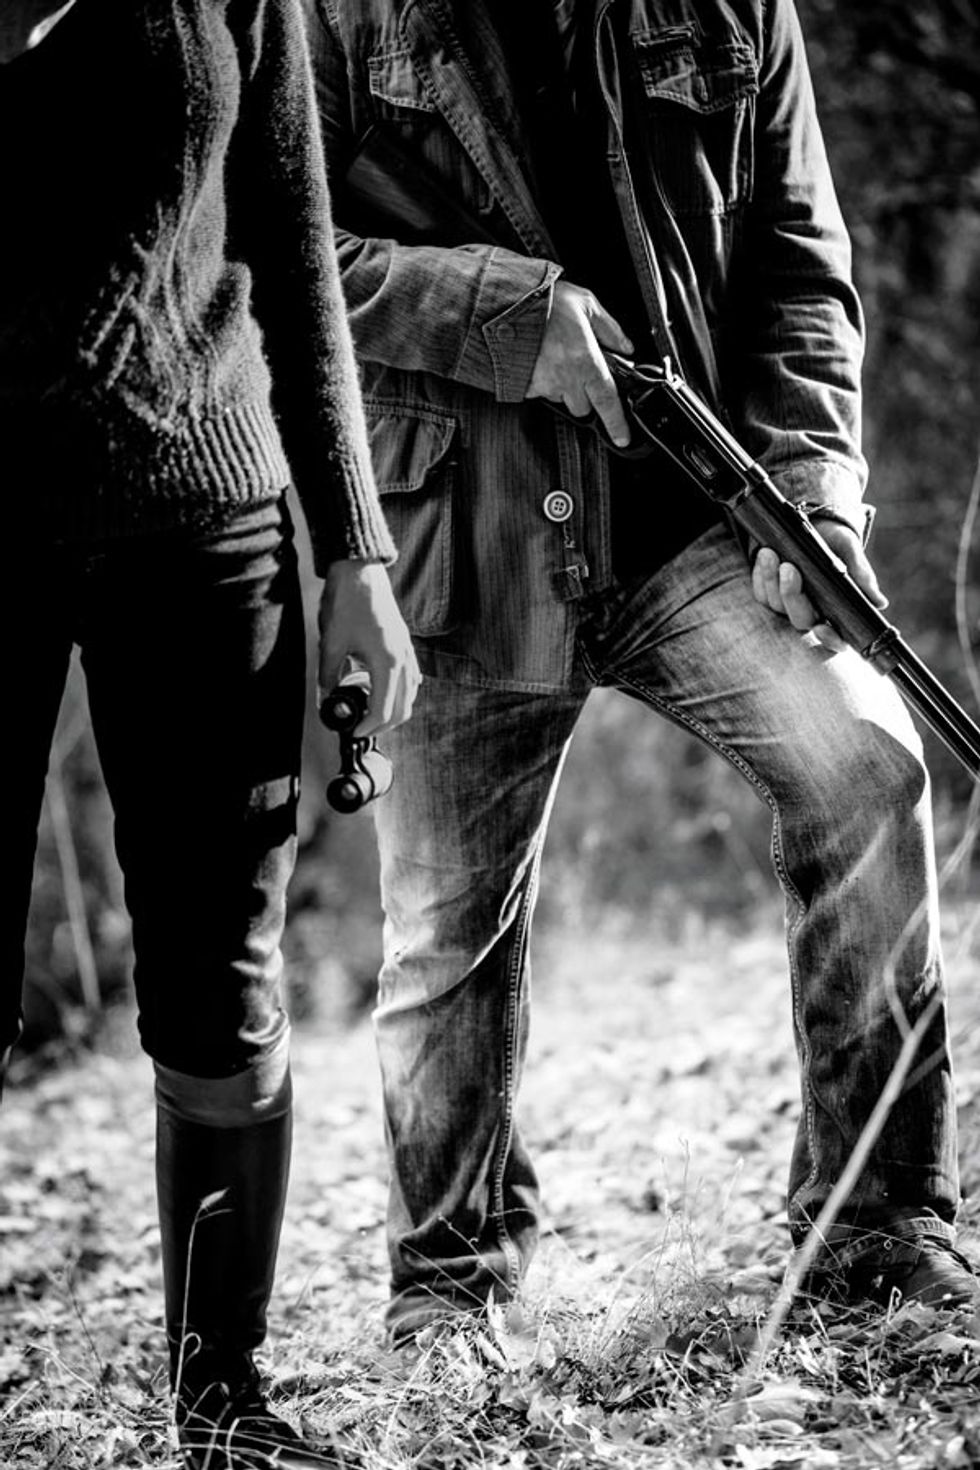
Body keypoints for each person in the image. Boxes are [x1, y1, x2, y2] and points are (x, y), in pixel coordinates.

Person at [301, 0, 979, 1347]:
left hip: (698, 521)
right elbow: (283, 260)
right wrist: (506, 316)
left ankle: (873, 1225)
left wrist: (810, 487)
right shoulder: (330, 11)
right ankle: (450, 1287)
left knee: (867, 765)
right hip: (464, 530)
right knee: (445, 933)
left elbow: (799, 258)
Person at [1, 1, 419, 1465]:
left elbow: (296, 253)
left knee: (218, 971)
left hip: (205, 518)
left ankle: (223, 1409)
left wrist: (357, 552)